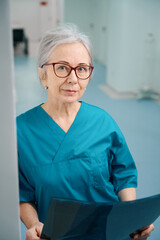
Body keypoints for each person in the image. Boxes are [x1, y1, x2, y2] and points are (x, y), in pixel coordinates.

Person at [17, 24, 154, 240]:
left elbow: (123, 175)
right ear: (43, 75)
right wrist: (34, 225)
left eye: (82, 69)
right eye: (62, 67)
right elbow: (21, 195)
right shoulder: (20, 132)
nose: (73, 79)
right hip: (55, 236)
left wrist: (132, 218)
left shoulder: (103, 121)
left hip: (110, 232)